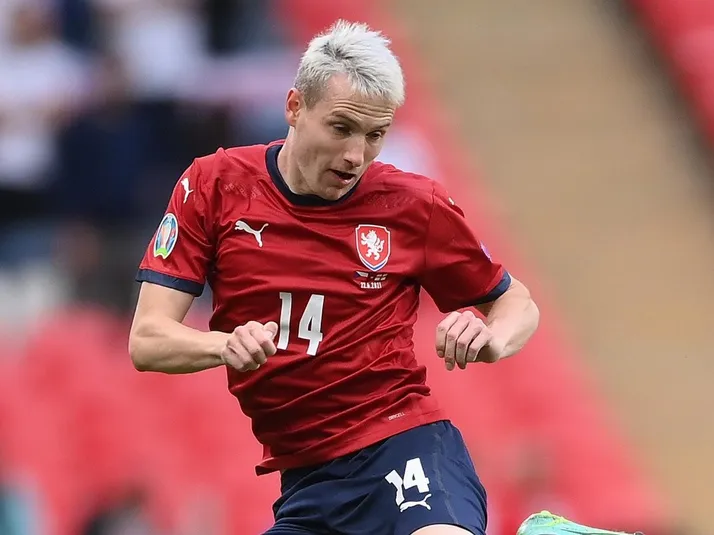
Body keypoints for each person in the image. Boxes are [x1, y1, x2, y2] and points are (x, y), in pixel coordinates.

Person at [129, 20, 640, 535]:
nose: (356, 155)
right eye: (341, 128)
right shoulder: (214, 186)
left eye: (375, 135)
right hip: (307, 486)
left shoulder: (411, 204)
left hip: (403, 445)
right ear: (295, 107)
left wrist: (493, 339)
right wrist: (222, 345)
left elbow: (517, 304)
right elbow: (148, 340)